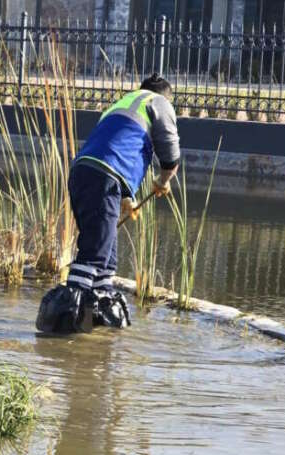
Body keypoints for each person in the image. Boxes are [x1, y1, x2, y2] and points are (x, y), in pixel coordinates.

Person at [37, 73, 180, 334]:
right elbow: (170, 153)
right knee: (94, 254)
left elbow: (114, 147)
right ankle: (61, 331)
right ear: (165, 95)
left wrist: (124, 198)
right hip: (105, 179)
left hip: (83, 173)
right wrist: (163, 179)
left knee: (106, 257)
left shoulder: (122, 104)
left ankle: (96, 325)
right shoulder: (158, 102)